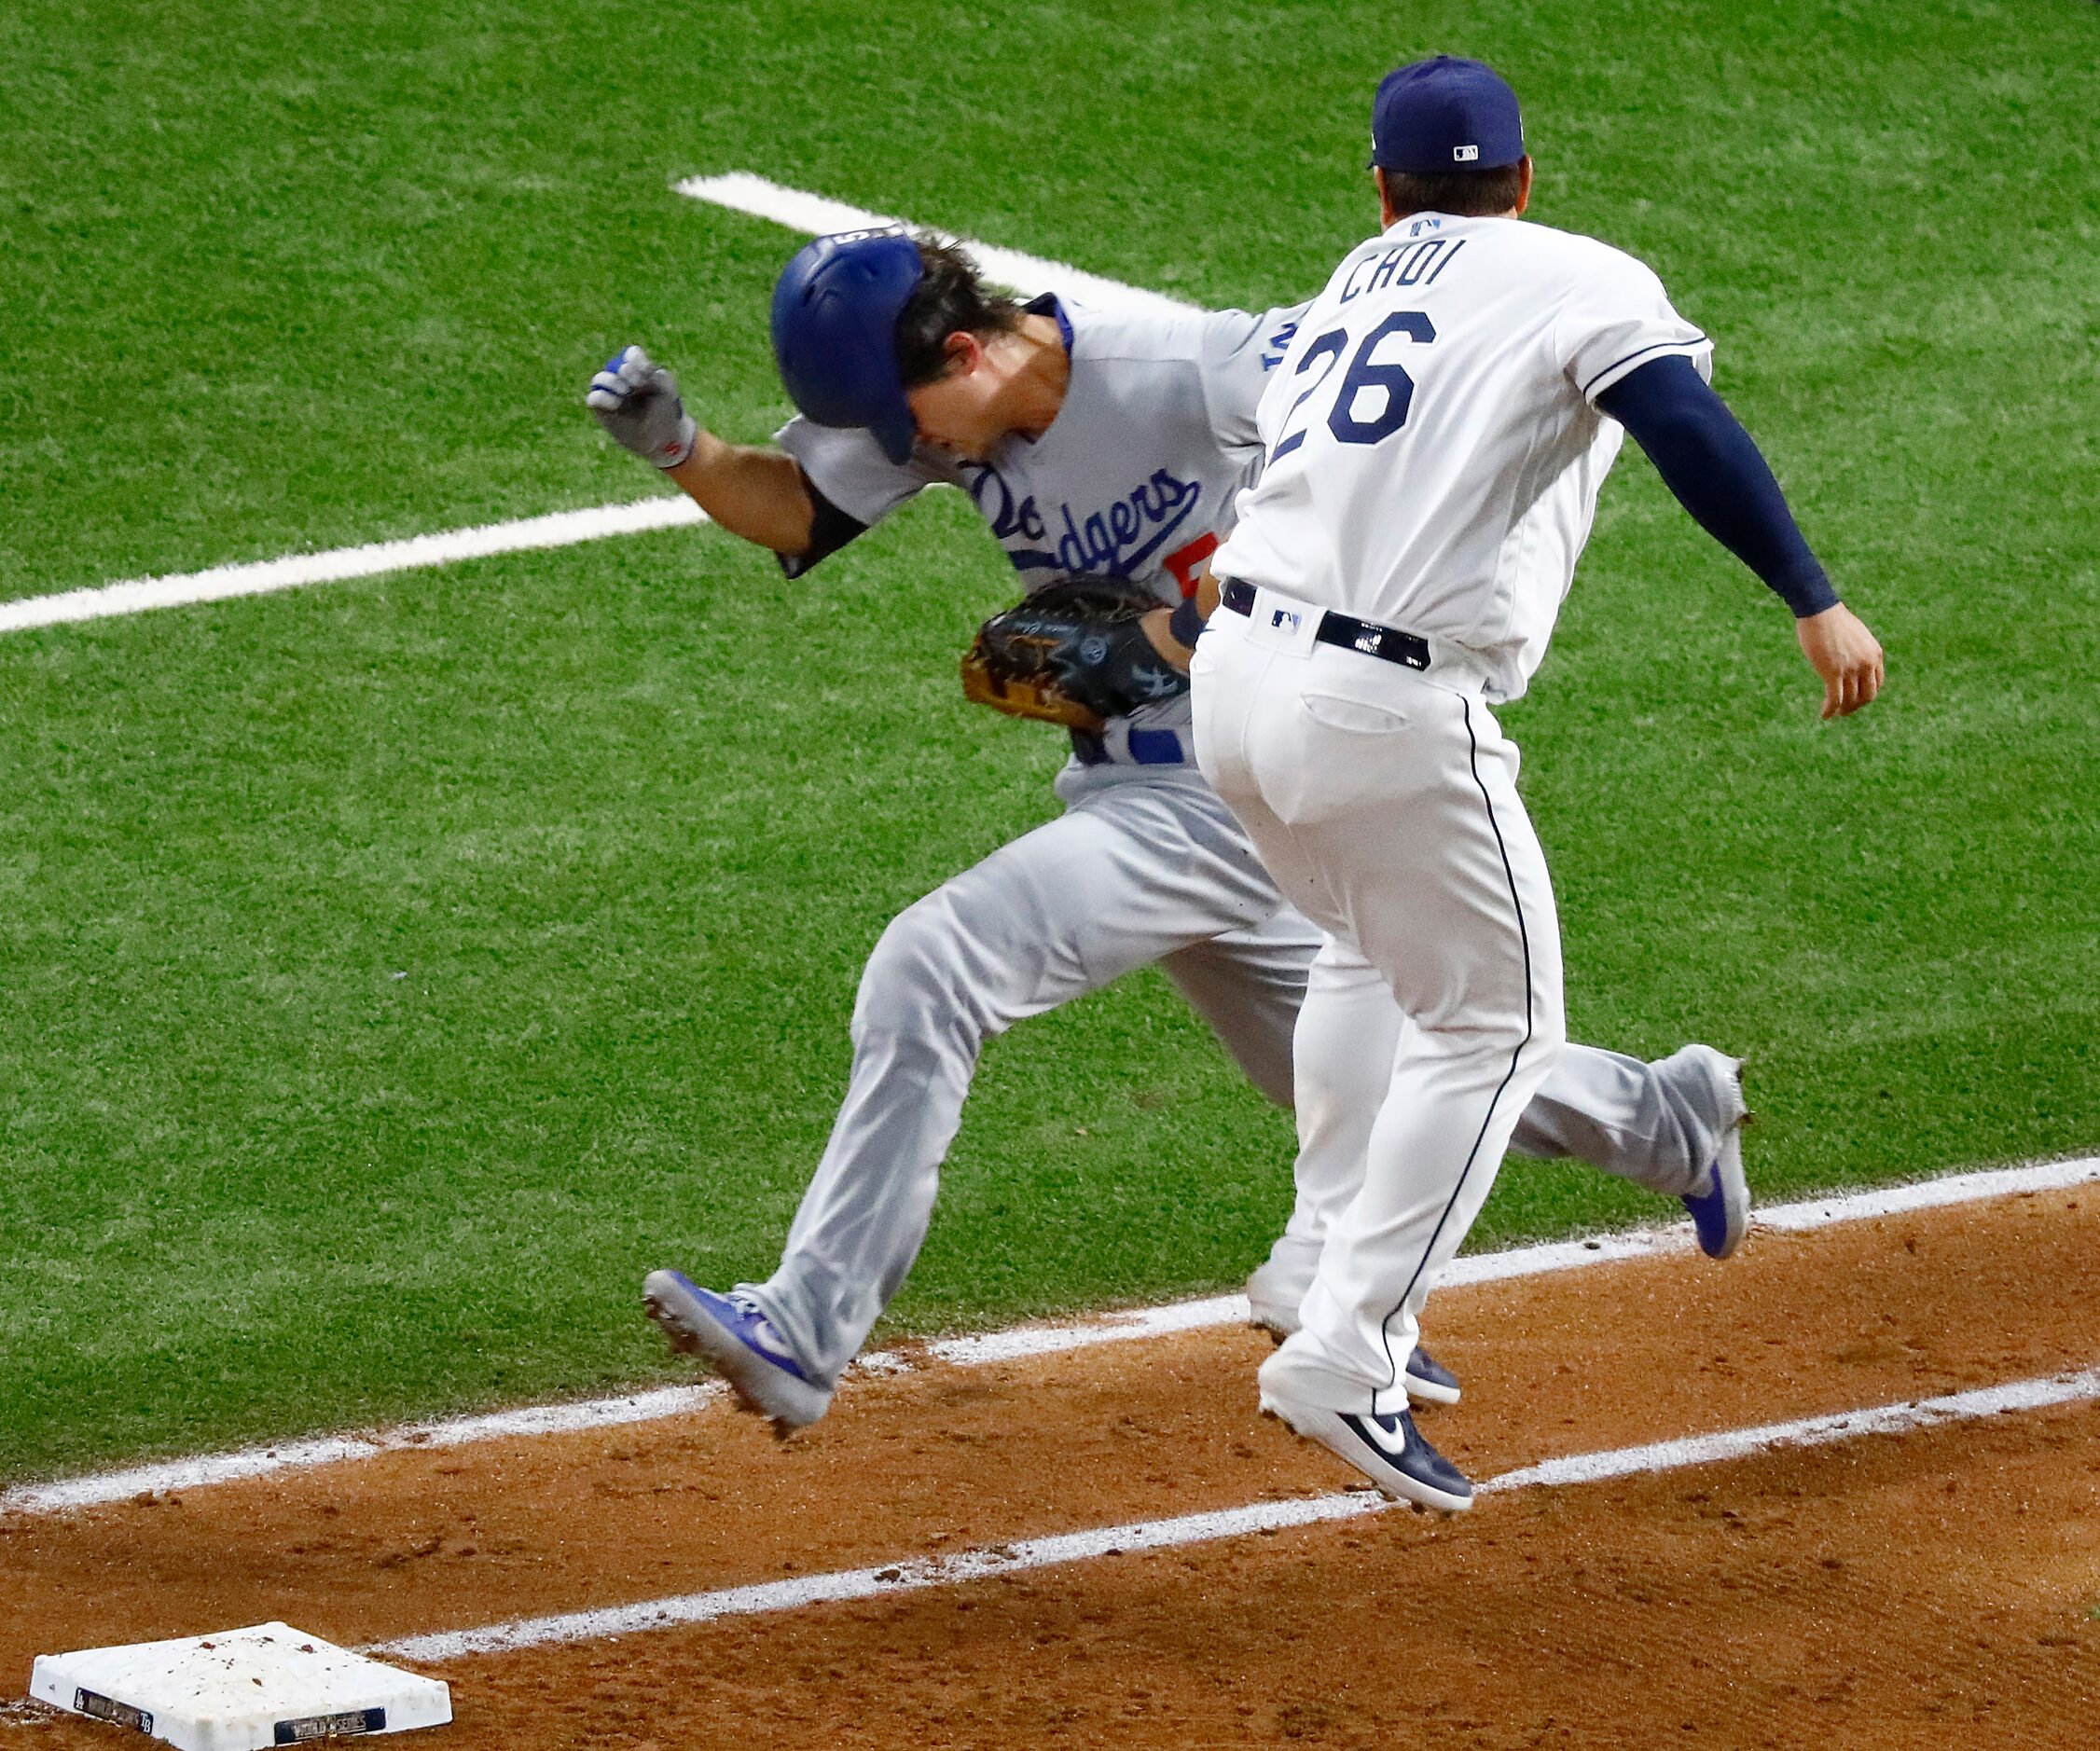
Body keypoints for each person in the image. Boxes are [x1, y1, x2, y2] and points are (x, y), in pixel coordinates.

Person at [582, 227, 1751, 1434]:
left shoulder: (1190, 366)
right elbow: (797, 508)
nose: (916, 454)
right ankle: (1668, 1120)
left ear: (971, 349)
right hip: (1172, 796)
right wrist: (682, 447)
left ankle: (805, 1322)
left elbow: (1372, 468)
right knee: (1388, 1073)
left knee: (933, 963)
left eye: (915, 425)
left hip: (1238, 775)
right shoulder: (931, 402)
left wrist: (1171, 636)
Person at [1194, 55, 1885, 1510]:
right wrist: (1810, 595)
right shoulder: (1579, 273)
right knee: (1500, 1028)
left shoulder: (1357, 279)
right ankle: (1349, 1347)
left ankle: (1326, 1254)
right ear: (1525, 176)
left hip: (1232, 683)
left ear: (1382, 188)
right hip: (1379, 704)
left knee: (1361, 952)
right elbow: (1681, 422)